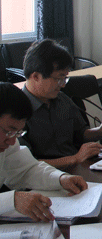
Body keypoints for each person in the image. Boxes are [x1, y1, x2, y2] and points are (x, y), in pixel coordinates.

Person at [20, 39, 102, 169]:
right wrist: (75, 158)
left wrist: (101, 131)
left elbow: (80, 134)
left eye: (65, 78)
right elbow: (27, 165)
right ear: (36, 77)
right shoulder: (17, 110)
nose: (62, 85)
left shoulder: (62, 99)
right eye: (58, 78)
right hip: (47, 174)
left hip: (78, 167)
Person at [0, 82, 87, 222]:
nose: (11, 142)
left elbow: (26, 170)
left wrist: (60, 179)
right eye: (9, 131)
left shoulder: (7, 141)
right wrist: (11, 200)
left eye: (17, 133)